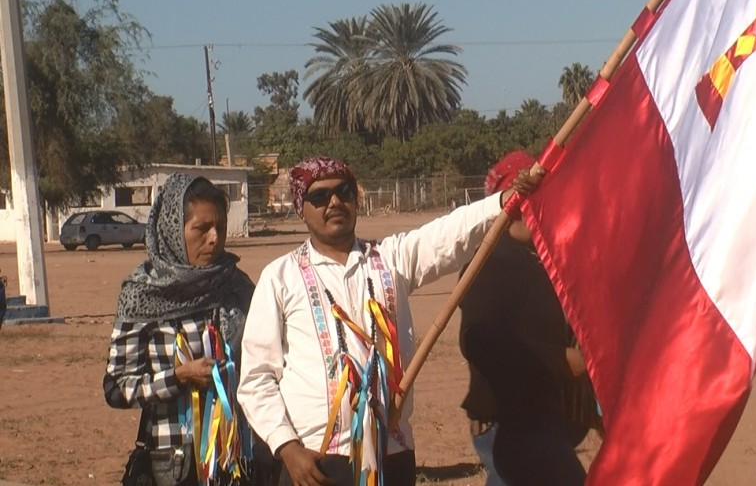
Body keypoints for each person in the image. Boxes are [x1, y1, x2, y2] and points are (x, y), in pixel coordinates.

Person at [237, 155, 535, 486]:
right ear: (301, 209)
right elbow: (257, 378)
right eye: (319, 197)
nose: (334, 202)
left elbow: (447, 235)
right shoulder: (280, 277)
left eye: (344, 192)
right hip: (315, 462)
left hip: (392, 453)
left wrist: (502, 201)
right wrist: (288, 449)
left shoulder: (390, 259)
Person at [103, 172, 274, 485]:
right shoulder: (142, 293)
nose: (213, 238)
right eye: (201, 229)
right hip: (175, 462)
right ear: (173, 230)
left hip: (239, 457)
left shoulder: (238, 286)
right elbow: (116, 388)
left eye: (220, 228)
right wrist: (178, 378)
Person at [458, 150, 601, 486]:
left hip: (543, 420)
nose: (530, 210)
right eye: (520, 202)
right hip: (510, 425)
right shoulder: (490, 263)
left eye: (538, 198)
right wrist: (562, 360)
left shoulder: (545, 260)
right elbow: (478, 341)